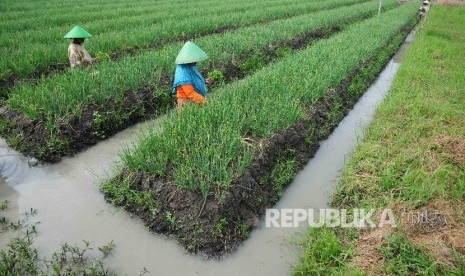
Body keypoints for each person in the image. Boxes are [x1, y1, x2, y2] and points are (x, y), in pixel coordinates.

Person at [172, 41, 212, 114]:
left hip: (194, 101)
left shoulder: (189, 67)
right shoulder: (182, 72)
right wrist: (205, 101)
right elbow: (190, 92)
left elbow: (193, 81)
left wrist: (204, 81)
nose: (196, 61)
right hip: (186, 103)